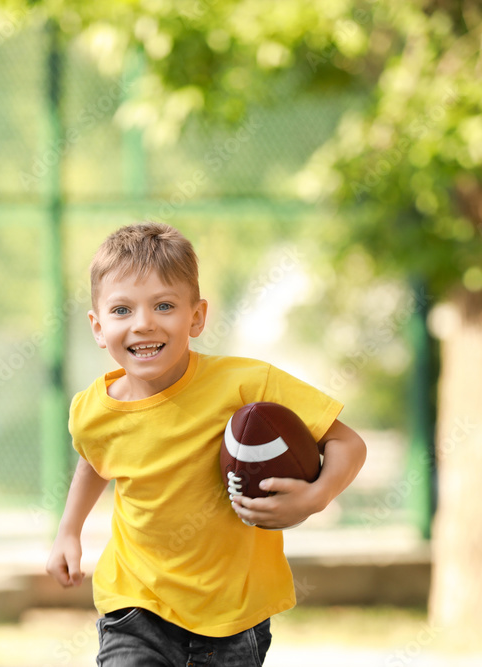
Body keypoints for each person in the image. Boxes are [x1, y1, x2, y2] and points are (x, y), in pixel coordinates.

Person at [46, 222, 367, 666]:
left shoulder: (249, 384)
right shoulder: (92, 410)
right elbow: (95, 461)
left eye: (163, 305)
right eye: (122, 311)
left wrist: (315, 496)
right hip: (136, 604)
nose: (143, 324)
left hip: (233, 617)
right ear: (98, 327)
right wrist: (69, 530)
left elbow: (348, 443)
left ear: (196, 317)